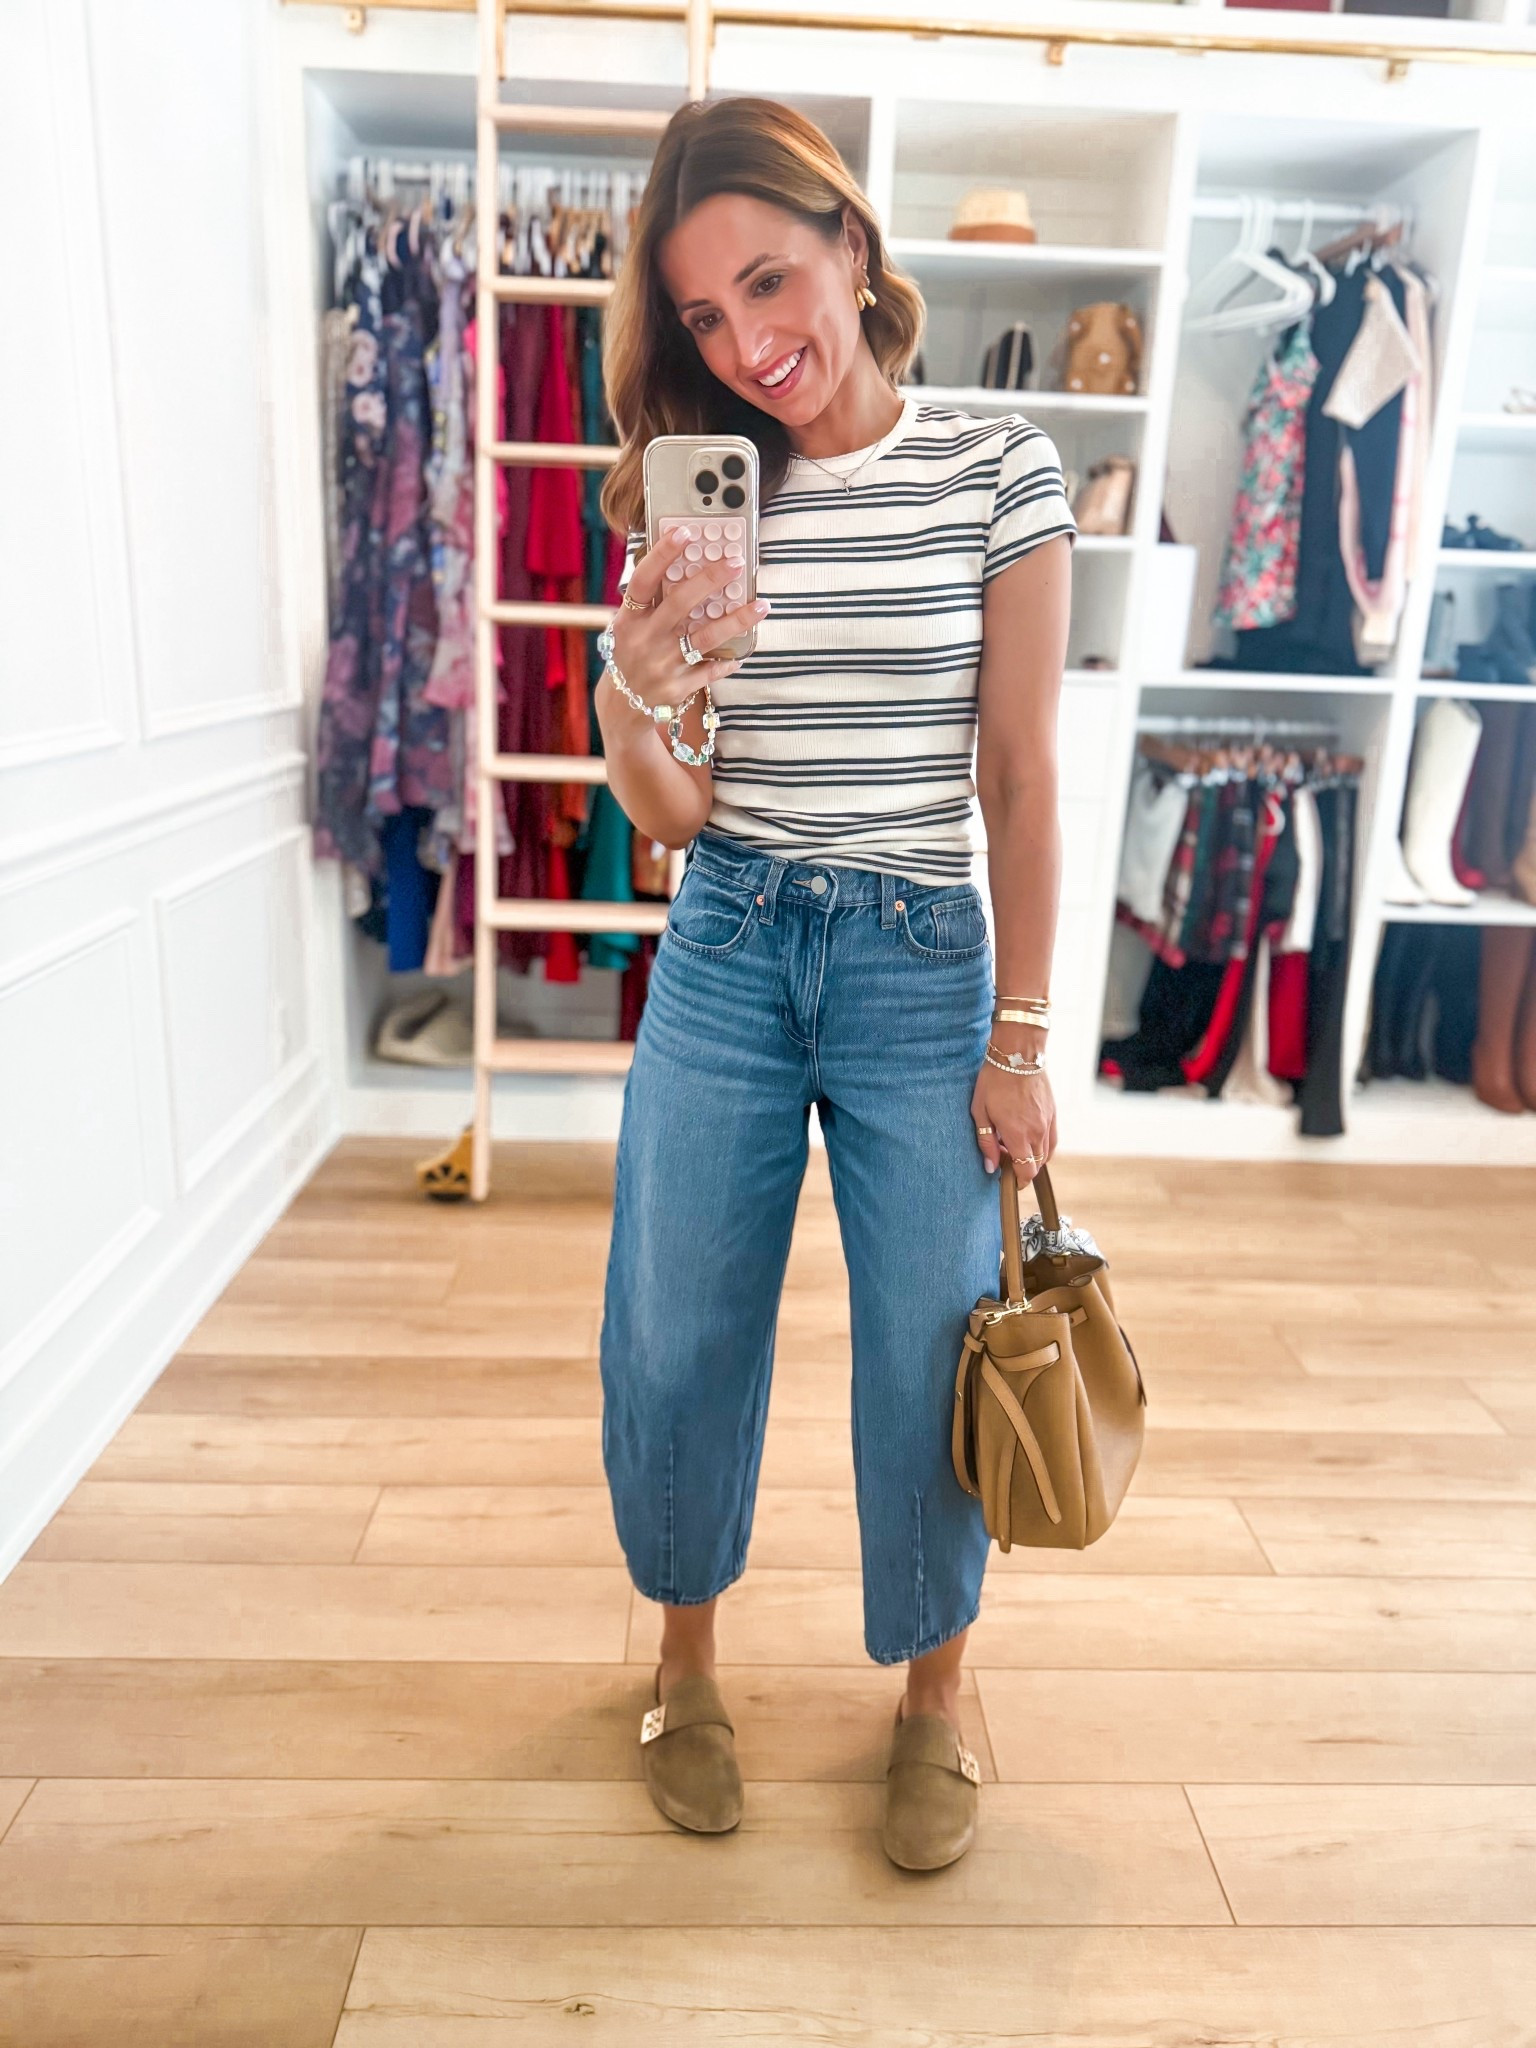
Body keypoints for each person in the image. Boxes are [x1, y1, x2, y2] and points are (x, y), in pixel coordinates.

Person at [592, 96, 1074, 1871]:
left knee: (927, 1347)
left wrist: (1022, 1034)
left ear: (855, 248)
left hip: (915, 959)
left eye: (772, 280)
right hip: (728, 940)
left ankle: (936, 1697)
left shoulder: (997, 473)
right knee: (679, 1322)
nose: (749, 341)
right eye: (705, 317)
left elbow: (1018, 773)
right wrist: (632, 689)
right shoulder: (700, 486)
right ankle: (684, 1661)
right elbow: (672, 813)